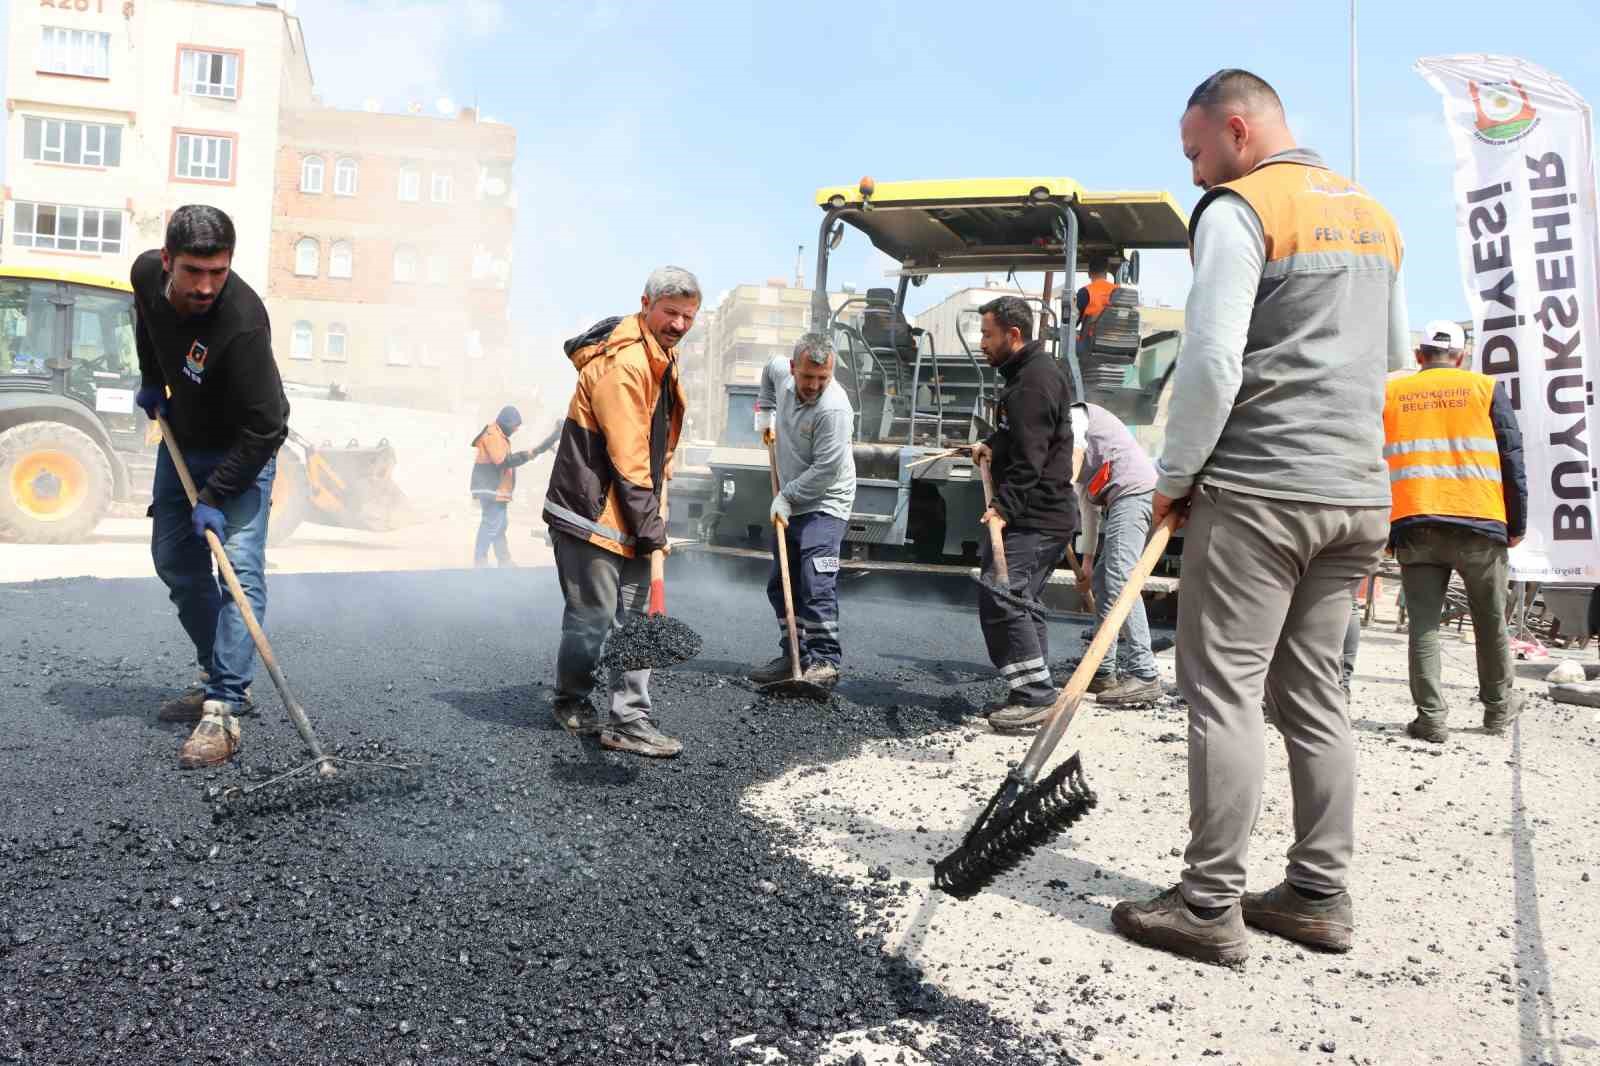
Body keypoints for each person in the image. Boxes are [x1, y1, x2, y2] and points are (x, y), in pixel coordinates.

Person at [1111, 70, 1408, 965]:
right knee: (1316, 694)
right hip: (1356, 494)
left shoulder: (1242, 208)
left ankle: (1207, 906)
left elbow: (1209, 360)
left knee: (1225, 689)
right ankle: (1319, 894)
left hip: (1264, 489)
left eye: (1197, 151)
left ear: (1237, 130)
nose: (1196, 171)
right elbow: (1389, 366)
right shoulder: (1373, 216)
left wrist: (1177, 474)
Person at [132, 205, 289, 769]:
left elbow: (269, 425)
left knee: (238, 572)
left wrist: (218, 496)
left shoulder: (241, 324)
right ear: (168, 261)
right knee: (173, 560)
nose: (204, 287)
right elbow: (147, 321)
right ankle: (214, 669)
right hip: (184, 439)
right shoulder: (146, 274)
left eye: (217, 273)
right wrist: (153, 376)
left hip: (240, 451)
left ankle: (224, 702)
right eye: (193, 272)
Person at [542, 266, 696, 758]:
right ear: (646, 303)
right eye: (670, 312)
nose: (678, 324)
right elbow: (628, 458)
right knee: (592, 617)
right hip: (592, 513)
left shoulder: (660, 358)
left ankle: (630, 720)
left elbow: (652, 446)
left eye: (688, 316)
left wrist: (663, 472)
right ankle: (571, 699)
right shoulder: (626, 363)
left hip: (627, 509)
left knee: (637, 622)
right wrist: (652, 529)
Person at [1384, 320, 1528, 743]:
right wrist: (1516, 523)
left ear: (1419, 356)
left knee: (1424, 628)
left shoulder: (1392, 392)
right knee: (1490, 623)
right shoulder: (1485, 389)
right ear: (1462, 357)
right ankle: (1497, 712)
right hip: (1480, 523)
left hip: (1414, 523)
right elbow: (1511, 458)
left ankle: (1431, 718)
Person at [969, 296, 1079, 730]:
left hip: (1039, 515)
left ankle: (1034, 694)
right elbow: (1019, 436)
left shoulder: (1032, 383)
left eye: (987, 334)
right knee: (1022, 601)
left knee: (1003, 593)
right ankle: (1037, 688)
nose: (982, 343)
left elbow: (1031, 459)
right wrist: (991, 446)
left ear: (1013, 335)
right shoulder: (1026, 376)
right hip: (1044, 515)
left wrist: (1001, 507)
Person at [748, 335, 856, 688]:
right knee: (782, 584)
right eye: (808, 377)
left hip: (825, 502)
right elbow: (768, 369)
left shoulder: (834, 409)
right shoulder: (781, 372)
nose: (814, 385)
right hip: (794, 498)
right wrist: (765, 411)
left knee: (814, 580)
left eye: (822, 378)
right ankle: (794, 654)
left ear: (832, 371)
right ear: (794, 368)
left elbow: (825, 471)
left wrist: (787, 497)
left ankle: (824, 661)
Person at [1072, 402, 1162, 705]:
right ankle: (1102, 672)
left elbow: (1069, 474)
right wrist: (1086, 562)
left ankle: (1145, 673)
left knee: (1121, 576)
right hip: (1119, 499)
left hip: (1135, 494)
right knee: (1101, 581)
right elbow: (1088, 509)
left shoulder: (1073, 417)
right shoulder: (1077, 450)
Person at [470, 405, 534, 567]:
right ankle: (480, 559)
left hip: (497, 489)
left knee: (499, 525)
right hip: (490, 488)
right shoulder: (493, 435)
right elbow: (502, 461)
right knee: (491, 524)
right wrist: (525, 456)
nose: (516, 429)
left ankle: (503, 559)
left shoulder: (500, 435)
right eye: (515, 426)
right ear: (507, 422)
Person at [1075, 255, 1116, 354]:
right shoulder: (1119, 291)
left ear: (1089, 274)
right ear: (1106, 273)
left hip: (1091, 345)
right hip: (1115, 344)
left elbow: (1073, 322)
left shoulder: (1085, 292)